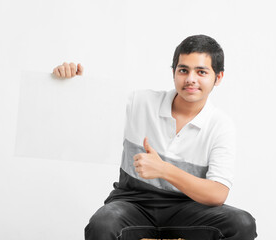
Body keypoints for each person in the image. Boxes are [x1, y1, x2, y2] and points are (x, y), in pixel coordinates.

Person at [53, 35, 257, 240]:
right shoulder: (140, 102)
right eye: (183, 70)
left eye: (201, 72)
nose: (190, 79)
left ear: (218, 77)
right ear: (174, 72)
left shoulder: (221, 126)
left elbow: (217, 194)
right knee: (103, 223)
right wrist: (70, 84)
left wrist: (164, 170)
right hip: (132, 204)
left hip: (189, 210)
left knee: (242, 223)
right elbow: (89, 114)